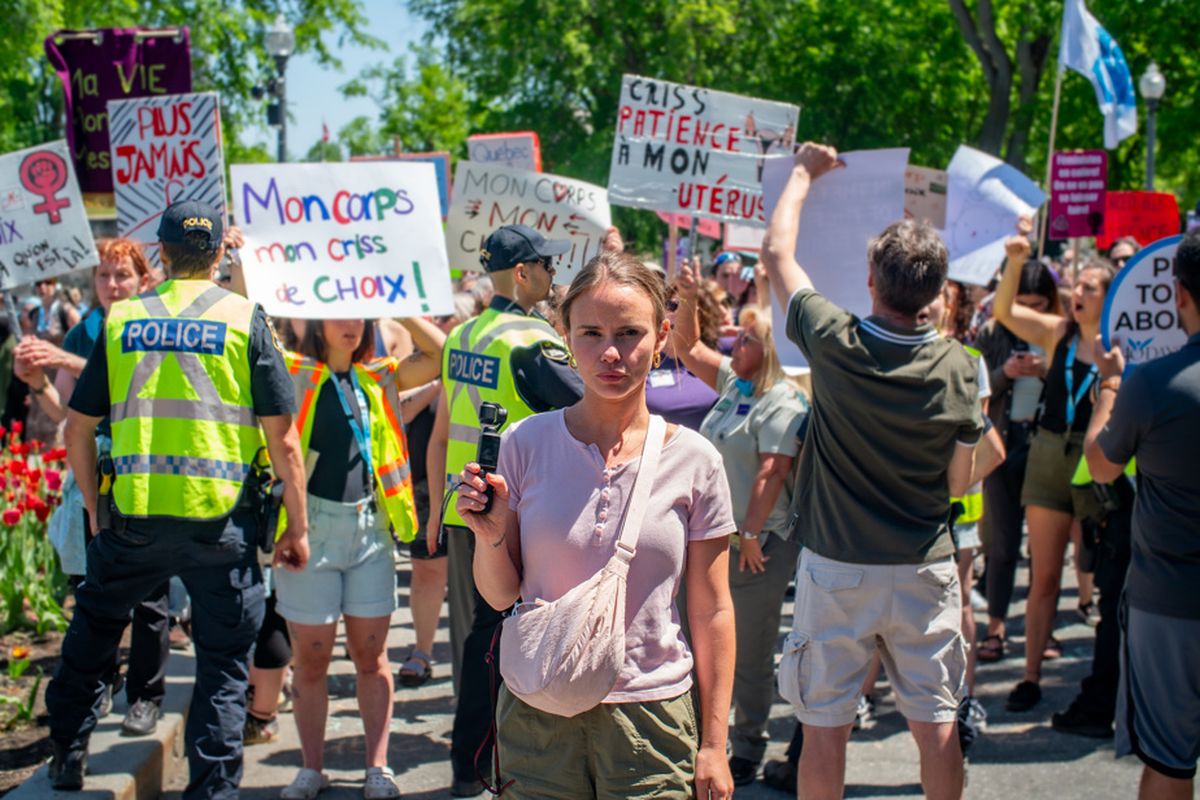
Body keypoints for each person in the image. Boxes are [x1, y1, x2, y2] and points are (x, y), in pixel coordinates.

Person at [44, 200, 310, 799]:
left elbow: (78, 428)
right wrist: (298, 525)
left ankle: (68, 753)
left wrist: (93, 506)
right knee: (220, 670)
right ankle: (211, 791)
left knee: (89, 640)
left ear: (160, 254)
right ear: (218, 253)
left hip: (132, 523)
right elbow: (283, 439)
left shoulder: (122, 320)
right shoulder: (245, 319)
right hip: (221, 530)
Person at [455, 250, 736, 799]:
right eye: (590, 332)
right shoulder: (523, 445)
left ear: (661, 339)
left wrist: (715, 745)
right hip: (538, 710)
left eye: (630, 332)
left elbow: (713, 608)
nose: (611, 352)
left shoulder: (697, 461)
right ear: (565, 336)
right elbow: (498, 596)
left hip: (650, 719)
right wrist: (489, 538)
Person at [764, 144, 998, 800]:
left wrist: (805, 174)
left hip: (837, 567)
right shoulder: (959, 365)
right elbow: (959, 483)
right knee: (938, 725)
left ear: (871, 280)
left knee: (824, 727)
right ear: (938, 293)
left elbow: (777, 254)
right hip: (924, 568)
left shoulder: (834, 342)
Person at [427, 223, 584, 797]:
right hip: (511, 518)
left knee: (476, 642)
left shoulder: (462, 334)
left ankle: (471, 764)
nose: (551, 273)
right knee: (503, 644)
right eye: (545, 264)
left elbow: (442, 431)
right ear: (522, 273)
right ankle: (490, 767)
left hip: (461, 509)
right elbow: (590, 408)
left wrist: (430, 509)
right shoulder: (530, 338)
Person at [274, 313, 445, 799]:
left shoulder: (379, 375)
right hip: (310, 529)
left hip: (371, 530)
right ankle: (311, 769)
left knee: (372, 657)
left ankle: (377, 768)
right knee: (311, 659)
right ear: (314, 321)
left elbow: (441, 352)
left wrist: (402, 304)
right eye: (339, 313)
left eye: (359, 313)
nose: (350, 324)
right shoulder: (292, 371)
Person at [16, 239, 174, 736]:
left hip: (149, 472)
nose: (111, 286)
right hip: (98, 473)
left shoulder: (157, 324)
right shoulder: (86, 331)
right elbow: (69, 417)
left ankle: (145, 695)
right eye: (103, 276)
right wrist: (38, 381)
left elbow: (139, 382)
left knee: (150, 596)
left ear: (144, 280)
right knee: (94, 588)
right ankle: (100, 681)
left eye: (122, 275)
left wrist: (66, 358)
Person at [670, 258, 807, 785]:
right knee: (701, 640)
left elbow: (772, 472)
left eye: (746, 342)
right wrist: (684, 294)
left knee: (749, 647)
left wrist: (749, 533)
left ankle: (749, 742)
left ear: (768, 351)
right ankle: (709, 738)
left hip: (758, 543)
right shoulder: (737, 385)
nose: (736, 348)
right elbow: (689, 347)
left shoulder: (782, 399)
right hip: (717, 540)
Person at [1084, 230, 1200, 800]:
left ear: (1179, 294)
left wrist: (1110, 383)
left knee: (1169, 763)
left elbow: (1100, 465)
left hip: (1169, 605)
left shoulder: (1151, 384)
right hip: (1167, 603)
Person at [992, 232, 1115, 712]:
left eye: (1089, 288)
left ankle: (1104, 678)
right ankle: (1030, 676)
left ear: (1109, 297)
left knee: (1097, 569)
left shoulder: (1121, 344)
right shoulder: (1058, 331)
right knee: (1044, 576)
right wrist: (1014, 264)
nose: (1077, 293)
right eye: (1077, 286)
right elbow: (1005, 312)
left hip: (1097, 462)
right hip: (1047, 453)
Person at [973, 259, 1060, 663]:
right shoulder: (994, 330)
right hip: (1005, 444)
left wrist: (1049, 371)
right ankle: (996, 627)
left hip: (1045, 444)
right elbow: (978, 385)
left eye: (1038, 305)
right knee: (1002, 543)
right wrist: (1006, 372)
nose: (1030, 313)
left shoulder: (1060, 331)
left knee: (1047, 549)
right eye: (1021, 303)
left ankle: (1045, 630)